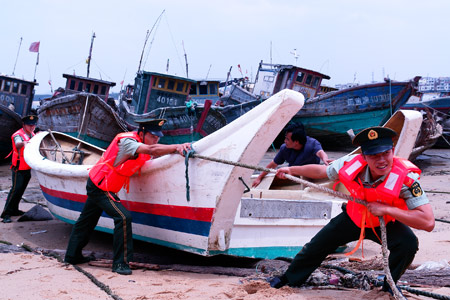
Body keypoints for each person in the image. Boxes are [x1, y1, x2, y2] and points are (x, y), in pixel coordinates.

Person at [269, 126, 435, 294]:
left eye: (385, 153)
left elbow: (428, 222)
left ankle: (388, 287)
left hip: (385, 221)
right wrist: (291, 170)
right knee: (314, 247)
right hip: (354, 217)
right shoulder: (351, 164)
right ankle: (289, 280)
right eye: (373, 155)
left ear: (392, 151)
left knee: (408, 244)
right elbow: (322, 171)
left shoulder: (407, 180)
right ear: (364, 156)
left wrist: (386, 210)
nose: (381, 160)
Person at [64, 118, 191, 275]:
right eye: (152, 135)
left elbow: (154, 149)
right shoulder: (128, 142)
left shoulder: (141, 143)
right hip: (101, 186)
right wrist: (177, 147)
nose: (156, 139)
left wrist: (174, 149)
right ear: (141, 133)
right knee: (123, 218)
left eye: (158, 136)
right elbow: (153, 150)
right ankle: (120, 264)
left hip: (101, 184)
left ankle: (72, 255)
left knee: (86, 221)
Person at [252, 122, 332, 188]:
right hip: (293, 175)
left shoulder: (312, 143)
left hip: (311, 175)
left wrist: (325, 159)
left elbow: (320, 152)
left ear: (296, 142)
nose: (284, 141)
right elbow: (273, 164)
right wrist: (259, 177)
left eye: (287, 139)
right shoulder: (284, 148)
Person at [1, 115, 38, 223]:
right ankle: (6, 213)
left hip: (27, 167)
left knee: (21, 190)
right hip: (18, 168)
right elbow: (17, 144)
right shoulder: (18, 135)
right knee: (15, 190)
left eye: (33, 125)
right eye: (29, 125)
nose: (32, 127)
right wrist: (24, 143)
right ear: (24, 125)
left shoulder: (32, 134)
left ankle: (14, 210)